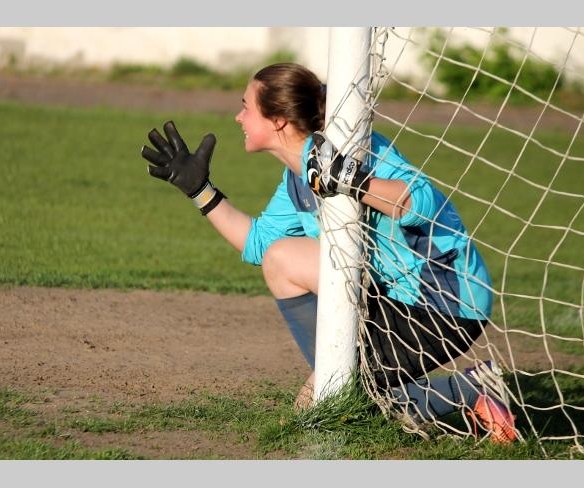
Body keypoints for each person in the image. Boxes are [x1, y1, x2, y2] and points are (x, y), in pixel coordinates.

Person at [140, 62, 518, 443]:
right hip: (396, 303)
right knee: (328, 402)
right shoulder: (296, 179)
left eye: (246, 107)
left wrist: (351, 180)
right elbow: (258, 244)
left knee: (322, 402)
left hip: (444, 300)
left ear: (278, 121)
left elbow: (420, 202)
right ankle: (471, 388)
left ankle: (444, 388)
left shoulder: (354, 149)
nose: (239, 117)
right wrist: (200, 190)